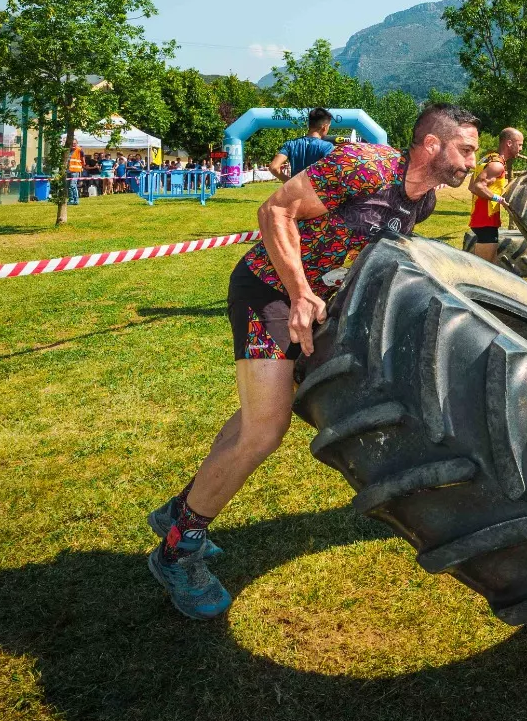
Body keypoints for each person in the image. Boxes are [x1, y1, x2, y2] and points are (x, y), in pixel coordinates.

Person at [144, 103, 481, 620]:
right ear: (432, 145)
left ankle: (179, 512)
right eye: (466, 149)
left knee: (254, 417)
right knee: (265, 428)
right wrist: (300, 293)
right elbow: (274, 211)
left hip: (313, 305)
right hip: (270, 291)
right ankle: (176, 551)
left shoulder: (426, 201)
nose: (472, 162)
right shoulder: (365, 164)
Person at [466, 127, 524, 263]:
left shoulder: (487, 158)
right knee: (484, 267)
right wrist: (499, 199)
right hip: (486, 219)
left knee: (491, 264)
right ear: (509, 143)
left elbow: (471, 186)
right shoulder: (497, 165)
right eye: (520, 144)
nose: (521, 149)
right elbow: (477, 186)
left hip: (481, 217)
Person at [270, 109, 335, 182]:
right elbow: (333, 171)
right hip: (315, 191)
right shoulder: (327, 147)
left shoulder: (291, 144)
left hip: (295, 190)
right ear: (325, 127)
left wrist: (289, 181)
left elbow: (274, 167)